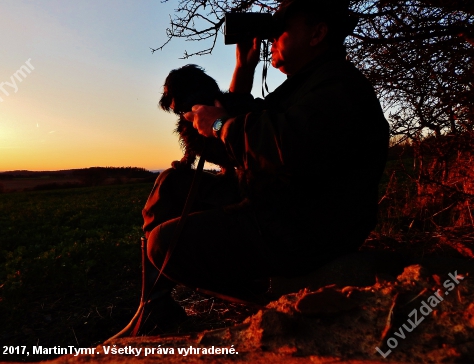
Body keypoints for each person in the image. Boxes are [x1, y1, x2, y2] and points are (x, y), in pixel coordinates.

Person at [110, 0, 389, 339]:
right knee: (172, 184)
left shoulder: (340, 86)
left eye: (282, 28)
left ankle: (274, 290)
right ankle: (155, 307)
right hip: (276, 202)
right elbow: (246, 131)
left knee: (164, 245)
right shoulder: (307, 83)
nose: (272, 37)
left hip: (303, 227)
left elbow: (282, 146)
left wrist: (220, 125)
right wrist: (244, 68)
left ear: (317, 33)